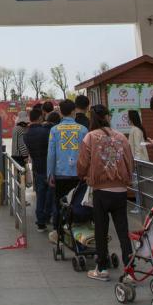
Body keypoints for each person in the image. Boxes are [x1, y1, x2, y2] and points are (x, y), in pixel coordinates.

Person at [77, 105, 135, 281]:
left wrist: (83, 175)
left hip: (101, 189)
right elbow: (129, 161)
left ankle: (102, 268)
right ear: (108, 117)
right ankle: (130, 269)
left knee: (101, 230)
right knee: (123, 230)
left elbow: (82, 163)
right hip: (120, 190)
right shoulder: (120, 137)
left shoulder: (90, 137)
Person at [46, 100, 86, 236]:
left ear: (60, 112)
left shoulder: (54, 130)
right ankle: (77, 231)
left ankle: (59, 233)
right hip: (79, 175)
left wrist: (50, 174)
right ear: (74, 111)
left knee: (59, 204)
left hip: (60, 174)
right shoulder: (83, 129)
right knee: (77, 203)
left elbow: (51, 154)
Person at [24, 107, 53, 231]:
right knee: (51, 193)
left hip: (37, 167)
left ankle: (40, 221)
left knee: (40, 194)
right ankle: (49, 216)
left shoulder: (27, 134)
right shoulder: (46, 132)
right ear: (40, 117)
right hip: (49, 167)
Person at [125, 109, 148, 212]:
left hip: (138, 162)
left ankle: (139, 207)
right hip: (138, 161)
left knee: (137, 185)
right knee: (138, 185)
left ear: (131, 118)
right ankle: (139, 206)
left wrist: (136, 162)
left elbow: (137, 148)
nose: (127, 119)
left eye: (128, 117)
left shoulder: (135, 130)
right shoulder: (136, 129)